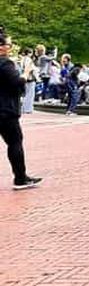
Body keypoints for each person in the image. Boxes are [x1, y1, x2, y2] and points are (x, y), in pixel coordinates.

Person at [0, 34, 41, 189]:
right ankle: (20, 178)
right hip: (6, 110)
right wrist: (26, 71)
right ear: (1, 47)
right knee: (15, 142)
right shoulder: (5, 63)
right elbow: (17, 82)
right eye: (9, 45)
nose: (10, 48)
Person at [19, 48, 37, 114]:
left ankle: (24, 108)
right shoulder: (29, 60)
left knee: (26, 94)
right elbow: (30, 68)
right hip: (30, 77)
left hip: (24, 77)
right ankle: (28, 109)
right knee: (30, 94)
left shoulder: (22, 59)